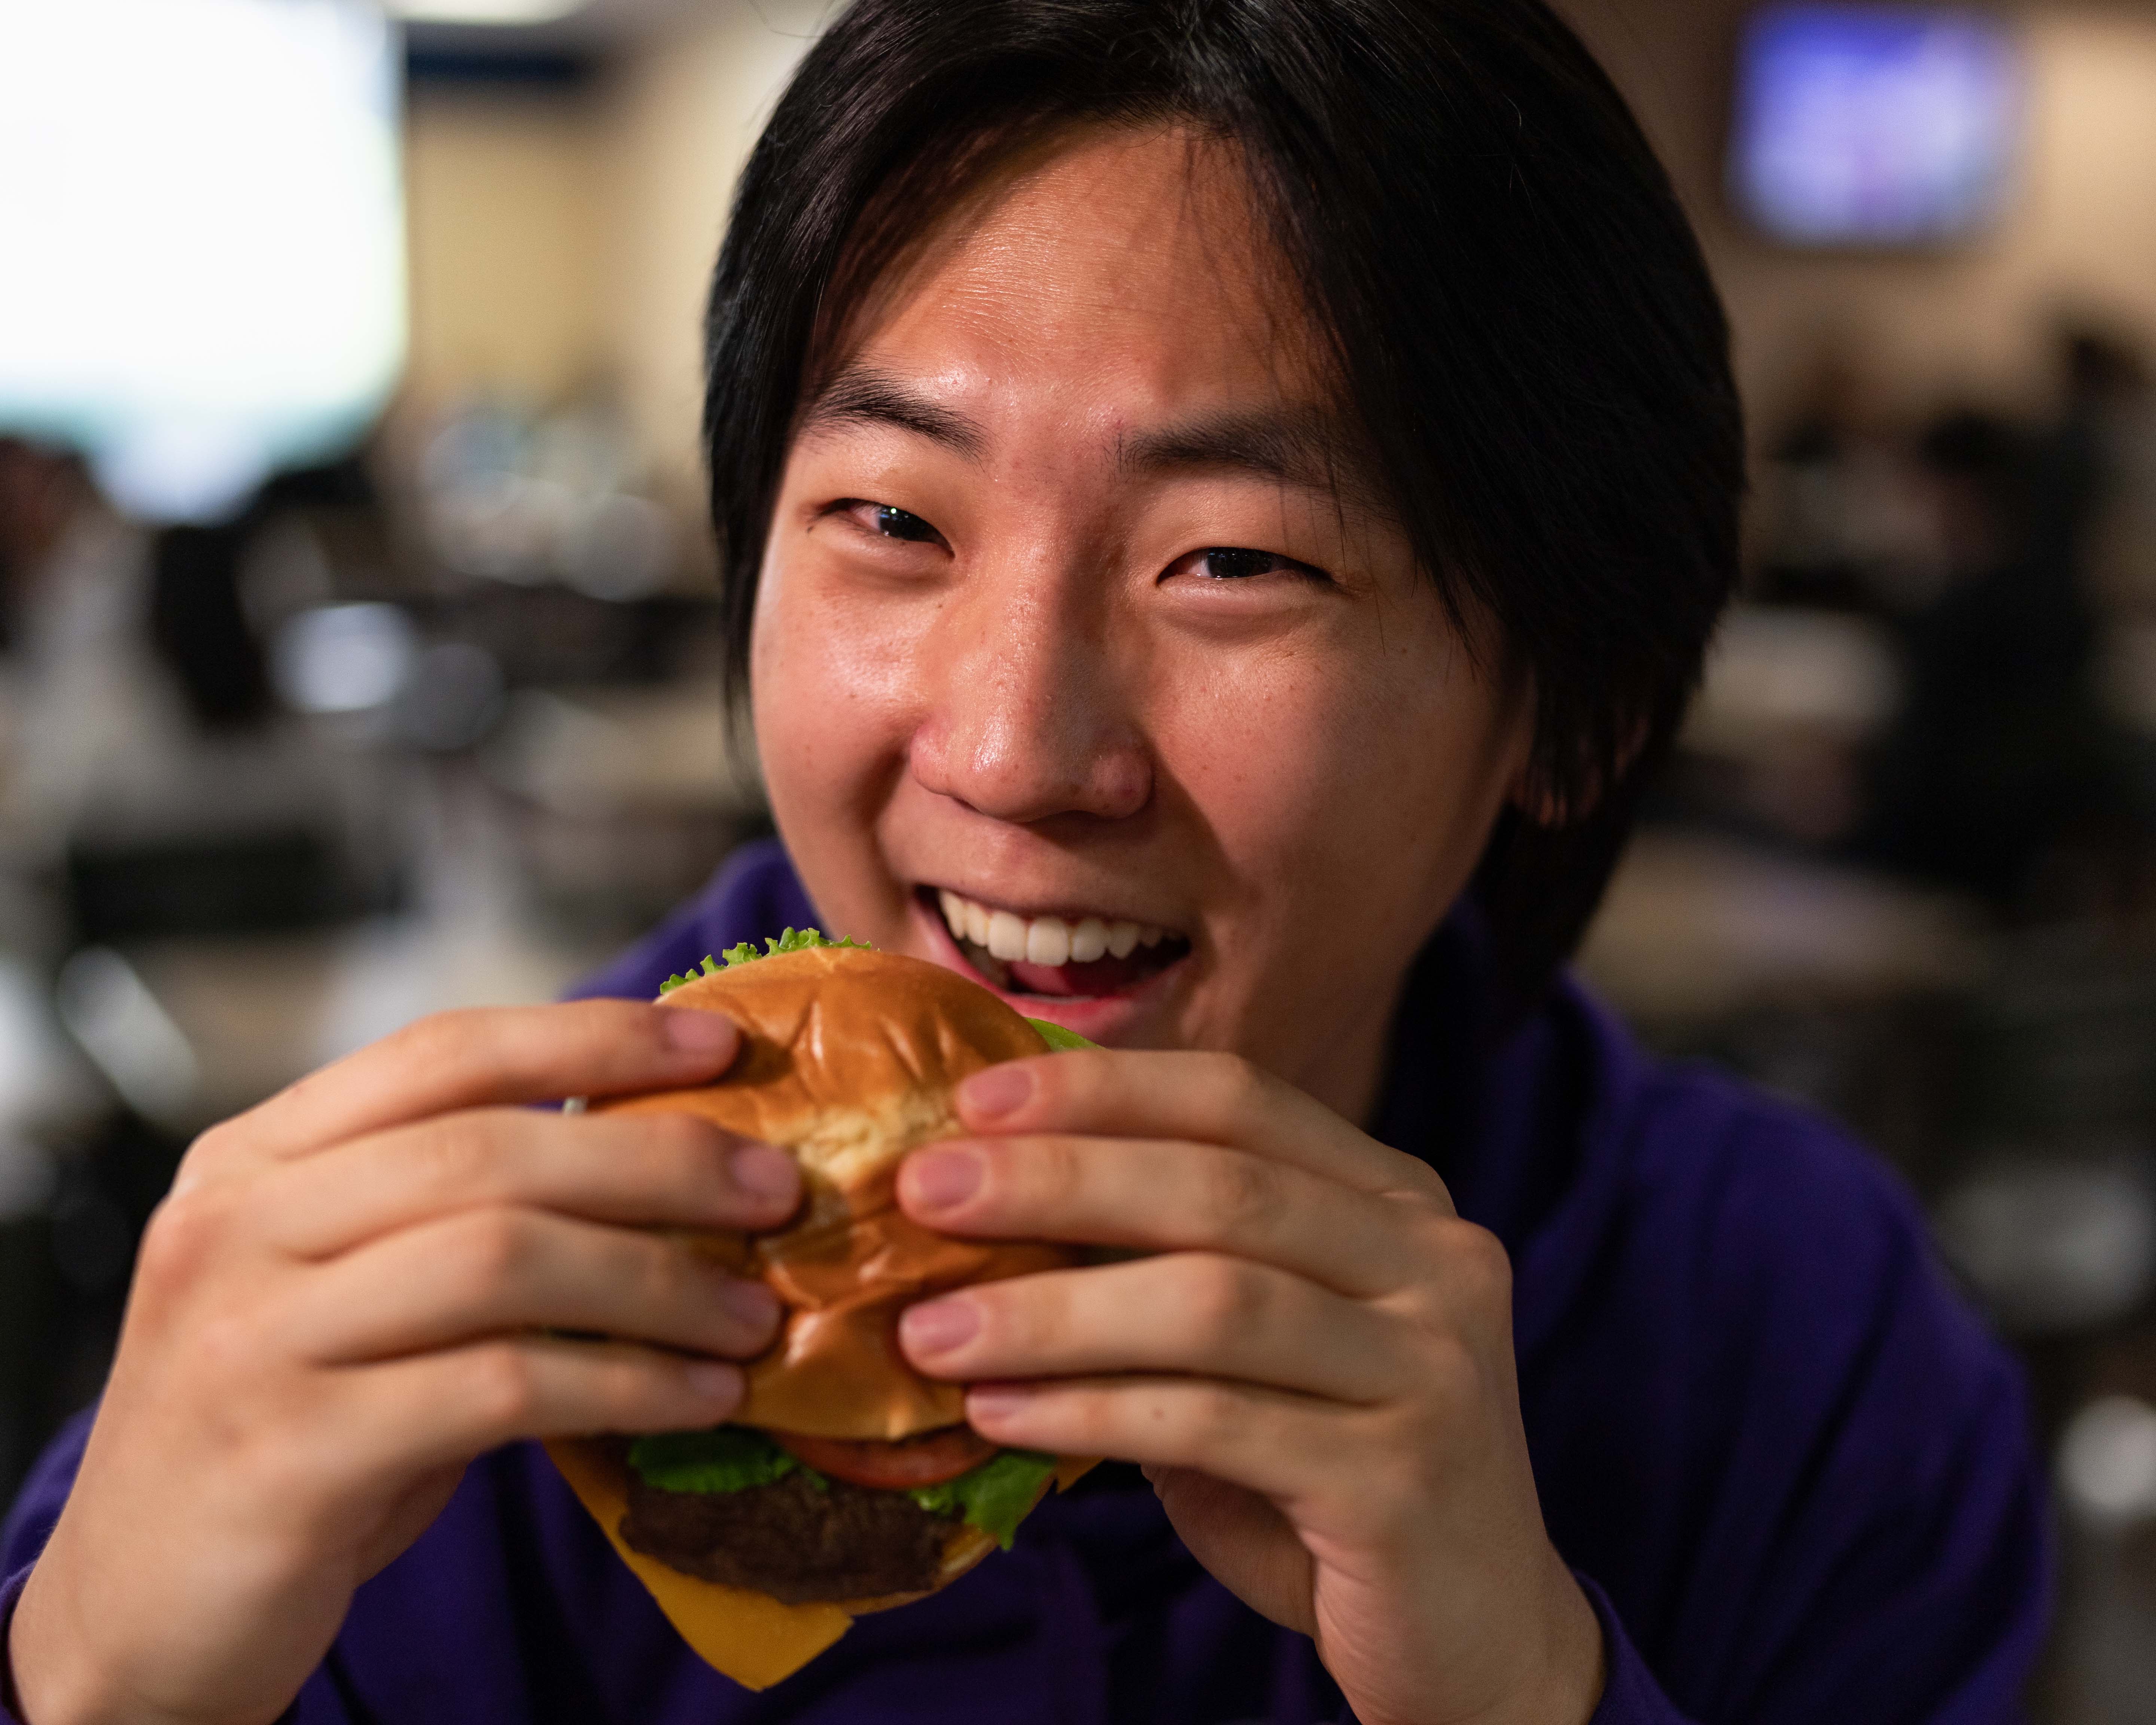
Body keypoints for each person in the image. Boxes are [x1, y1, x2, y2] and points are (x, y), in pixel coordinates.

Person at [1, 2, 2046, 1722]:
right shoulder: (429, 1344)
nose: (1010, 750)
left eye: (1234, 562)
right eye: (892, 520)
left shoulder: (1798, 1340)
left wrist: (1526, 1688)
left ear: (1575, 710)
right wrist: (96, 1678)